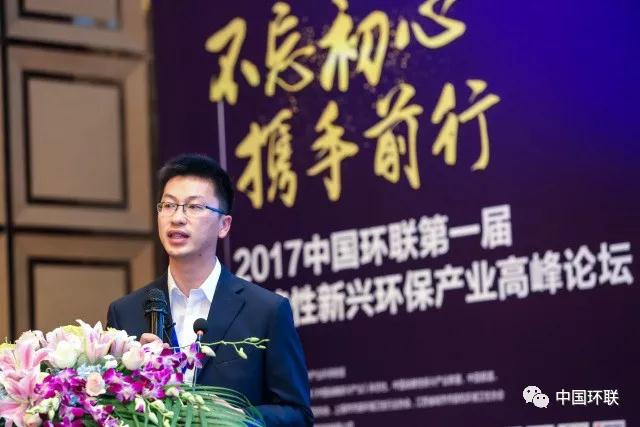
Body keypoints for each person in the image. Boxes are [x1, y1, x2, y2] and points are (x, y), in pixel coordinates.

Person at [106, 153, 313, 426]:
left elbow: (298, 414)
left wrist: (236, 418)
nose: (177, 218)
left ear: (224, 225)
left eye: (194, 207)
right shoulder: (125, 312)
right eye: (168, 205)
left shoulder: (266, 312)